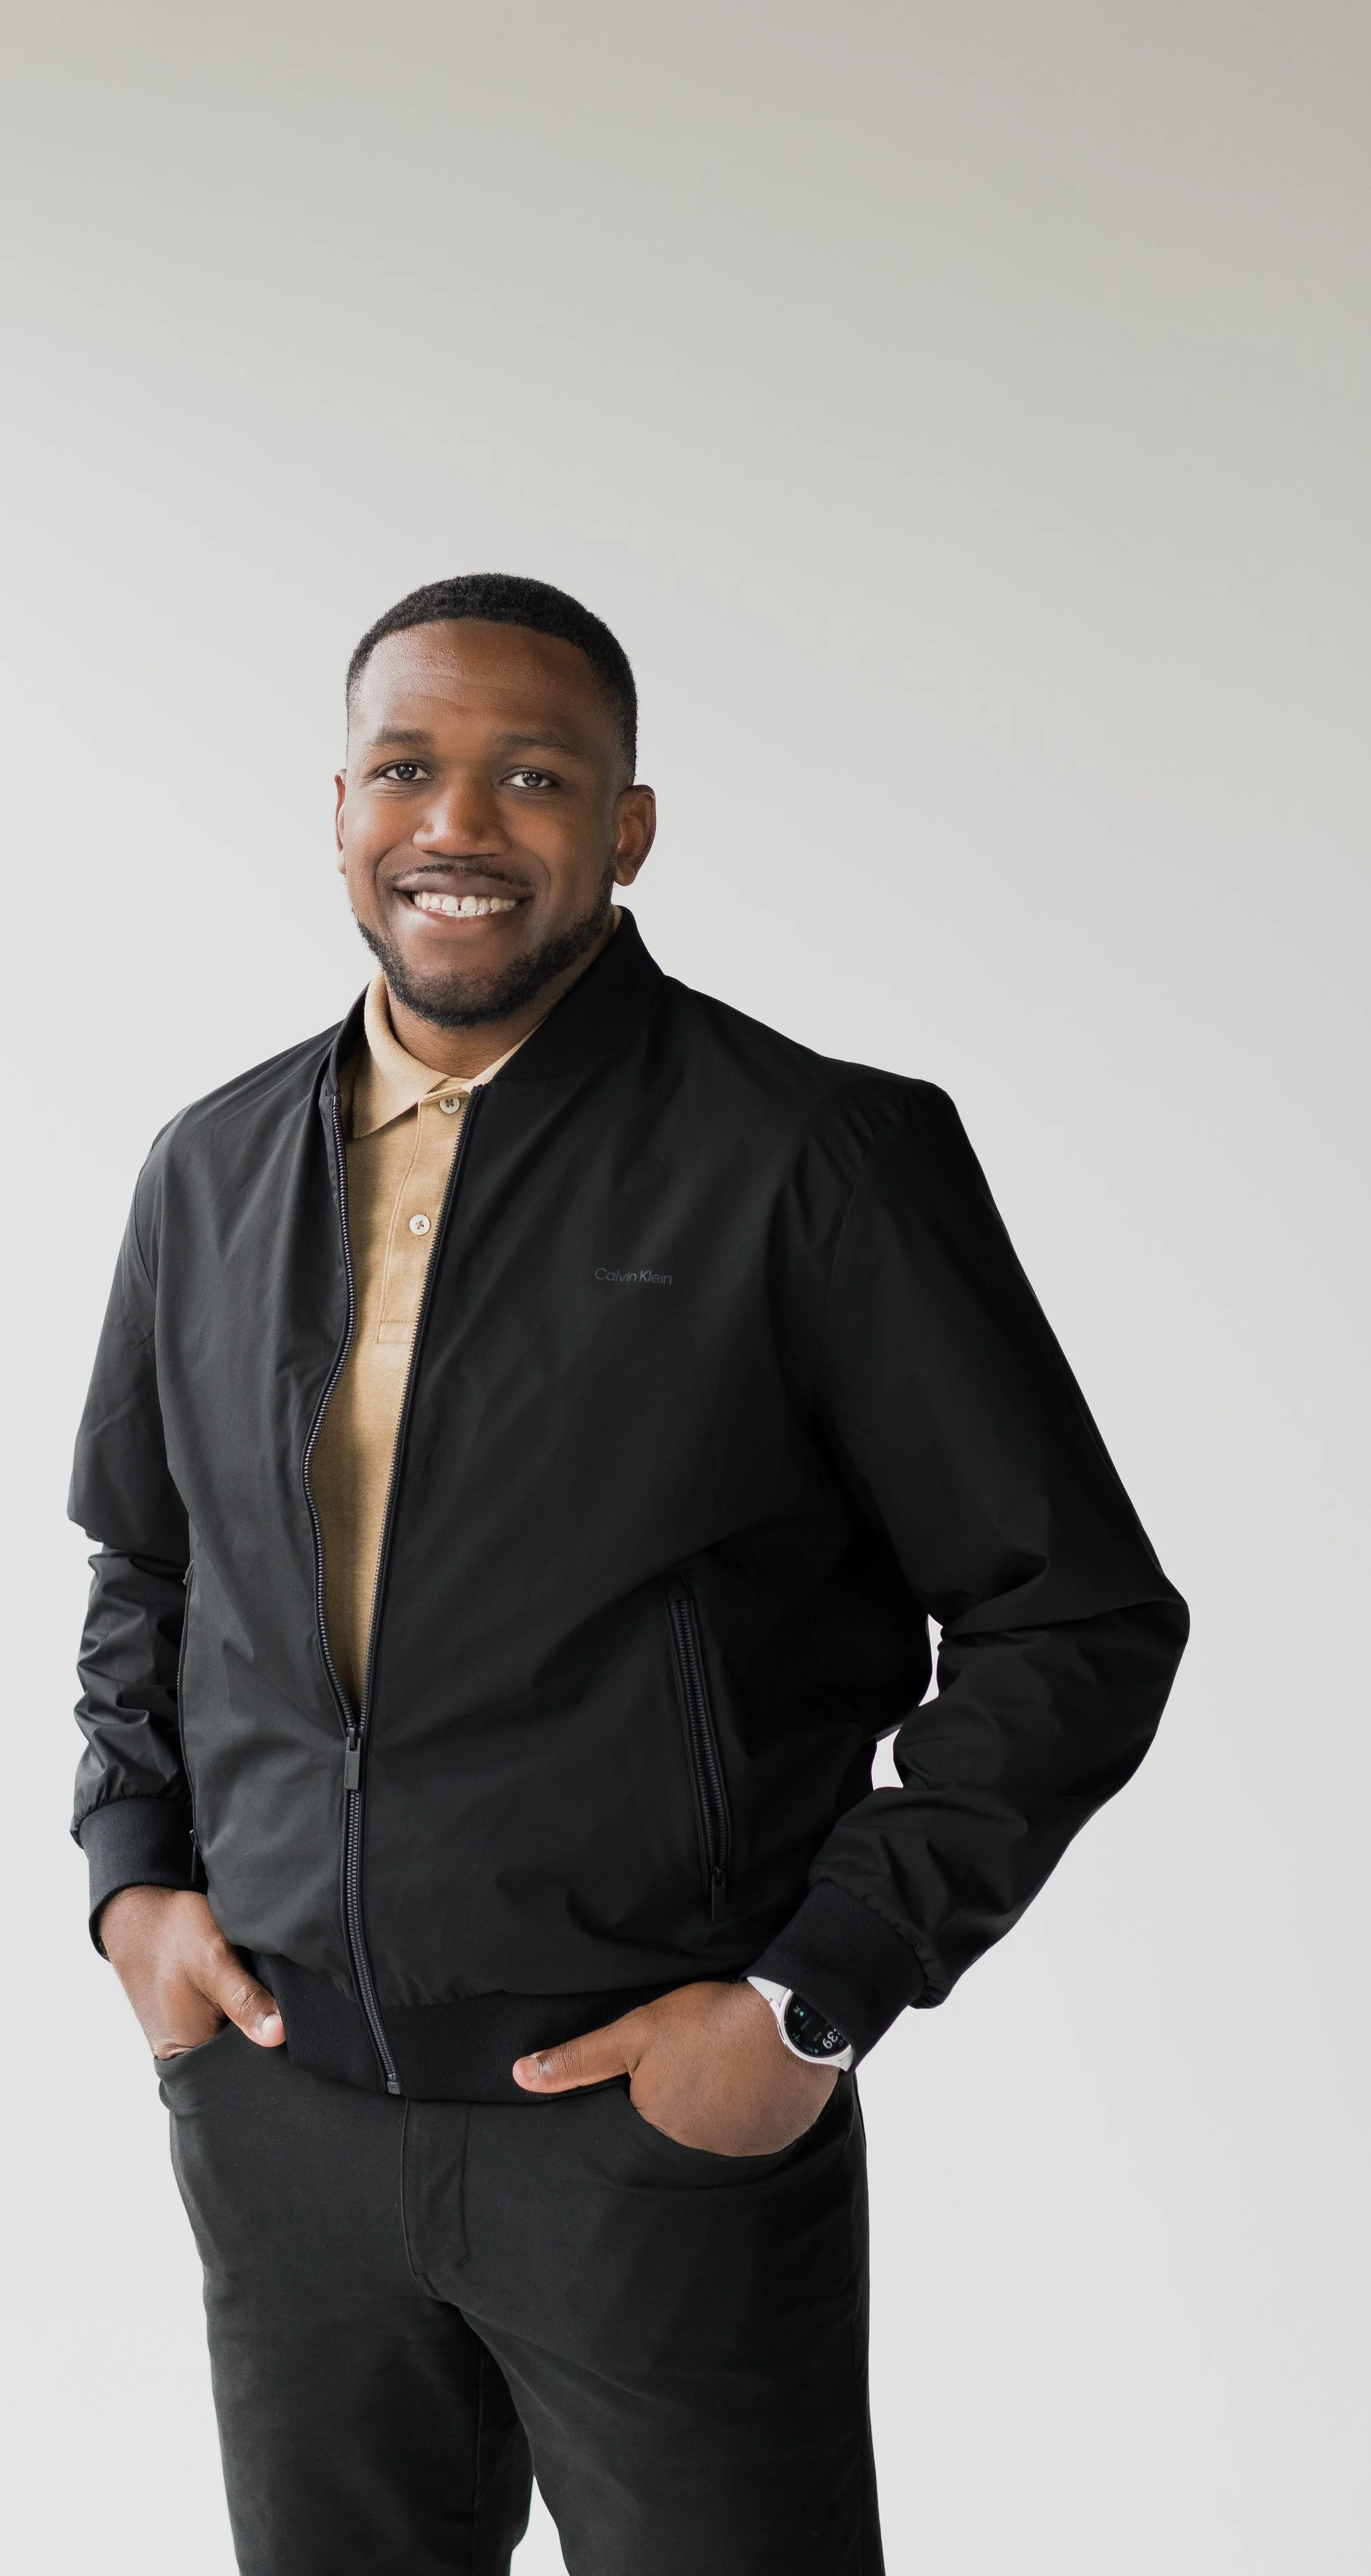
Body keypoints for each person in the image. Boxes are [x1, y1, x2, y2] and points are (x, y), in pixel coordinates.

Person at [69, 572, 1187, 2575]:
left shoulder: (810, 1156)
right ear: (338, 810)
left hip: (641, 2132)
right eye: (408, 769)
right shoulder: (210, 1166)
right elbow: (144, 1566)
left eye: (532, 776)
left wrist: (806, 2000)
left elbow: (1071, 1616)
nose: (458, 826)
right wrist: (131, 1883)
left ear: (625, 827)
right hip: (280, 2113)